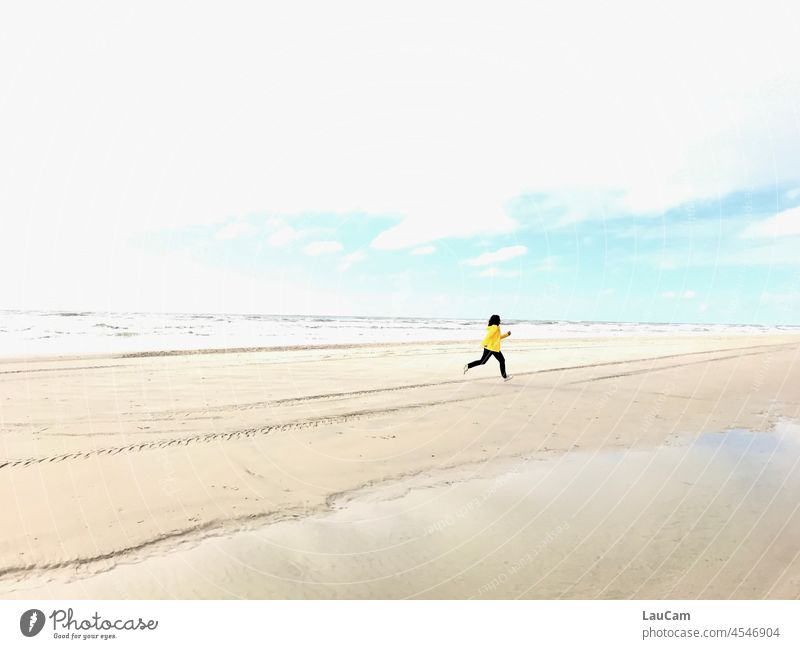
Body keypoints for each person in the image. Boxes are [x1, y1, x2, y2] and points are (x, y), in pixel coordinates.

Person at [463, 314, 513, 381]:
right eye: (499, 319)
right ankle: (505, 377)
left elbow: (498, 338)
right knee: (502, 360)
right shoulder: (495, 327)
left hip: (490, 347)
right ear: (496, 320)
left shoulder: (495, 327)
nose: (500, 320)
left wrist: (507, 334)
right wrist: (484, 344)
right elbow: (488, 336)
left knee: (483, 361)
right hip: (492, 348)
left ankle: (468, 366)